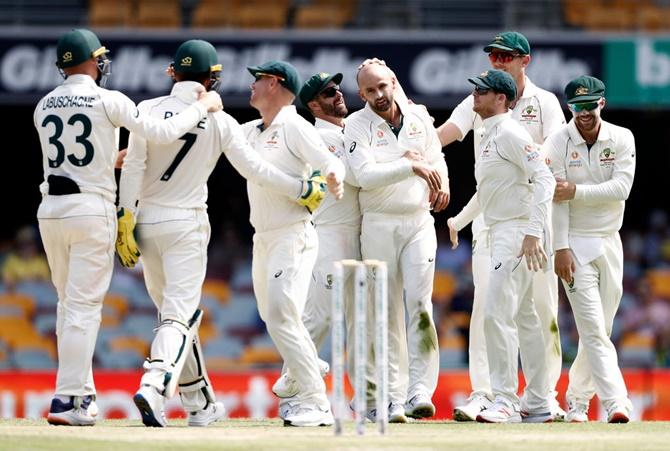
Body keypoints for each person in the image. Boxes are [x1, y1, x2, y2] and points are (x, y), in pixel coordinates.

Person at [116, 41, 323, 427]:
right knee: (179, 316)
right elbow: (256, 170)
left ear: (172, 72)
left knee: (174, 318)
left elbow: (133, 167)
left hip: (146, 223)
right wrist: (301, 189)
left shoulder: (146, 110)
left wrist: (124, 216)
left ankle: (200, 404)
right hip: (186, 224)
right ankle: (155, 381)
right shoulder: (221, 120)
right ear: (214, 78)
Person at [33, 28, 222, 427]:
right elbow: (164, 132)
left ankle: (80, 395)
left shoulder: (43, 105)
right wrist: (203, 107)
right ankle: (68, 399)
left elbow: (86, 151)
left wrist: (115, 159)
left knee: (67, 305)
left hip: (51, 209)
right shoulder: (110, 99)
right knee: (84, 307)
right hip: (91, 208)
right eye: (98, 56)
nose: (103, 63)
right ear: (88, 61)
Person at [441, 31, 566, 422]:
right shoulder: (492, 130)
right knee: (525, 317)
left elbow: (545, 177)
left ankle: (506, 399)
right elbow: (488, 189)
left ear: (499, 98)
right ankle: (540, 403)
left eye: (480, 92)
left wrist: (532, 232)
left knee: (499, 314)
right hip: (501, 229)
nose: (473, 96)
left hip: (517, 233)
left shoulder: (512, 130)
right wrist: (459, 220)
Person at [241, 60, 345, 427]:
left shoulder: (294, 125)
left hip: (293, 234)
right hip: (263, 238)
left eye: (258, 79)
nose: (251, 85)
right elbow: (215, 141)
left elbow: (328, 161)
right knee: (274, 317)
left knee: (284, 314)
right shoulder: (251, 130)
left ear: (274, 83)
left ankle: (317, 402)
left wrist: (332, 176)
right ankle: (309, 362)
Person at [343, 62, 448, 422]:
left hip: (419, 221)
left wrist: (443, 183)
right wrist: (409, 165)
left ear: (394, 83)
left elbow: (437, 158)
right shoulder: (356, 125)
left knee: (420, 304)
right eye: (370, 91)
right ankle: (391, 395)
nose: (379, 95)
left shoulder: (418, 116)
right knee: (385, 311)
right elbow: (364, 175)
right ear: (361, 95)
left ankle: (420, 390)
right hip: (378, 225)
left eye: (383, 87)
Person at [544, 75, 635, 423]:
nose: (584, 113)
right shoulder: (556, 143)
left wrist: (577, 191)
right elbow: (557, 200)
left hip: (610, 240)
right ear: (569, 107)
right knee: (593, 329)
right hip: (575, 243)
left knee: (601, 329)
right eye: (577, 107)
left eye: (590, 105)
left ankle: (578, 401)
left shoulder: (622, 138)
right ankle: (616, 402)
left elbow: (621, 188)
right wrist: (561, 247)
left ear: (602, 103)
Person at [271, 72, 355, 415]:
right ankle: (295, 385)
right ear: (313, 105)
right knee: (319, 316)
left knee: (340, 318)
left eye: (337, 88)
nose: (337, 94)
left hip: (351, 232)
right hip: (329, 232)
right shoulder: (320, 137)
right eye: (328, 93)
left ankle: (295, 380)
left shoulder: (346, 132)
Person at [1, 225, 51, 291]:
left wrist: (37, 280)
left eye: (29, 244)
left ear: (35, 245)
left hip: (37, 295)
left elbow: (47, 283)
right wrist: (14, 281)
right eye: (23, 244)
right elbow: (7, 280)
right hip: (18, 294)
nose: (26, 248)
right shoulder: (12, 260)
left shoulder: (41, 261)